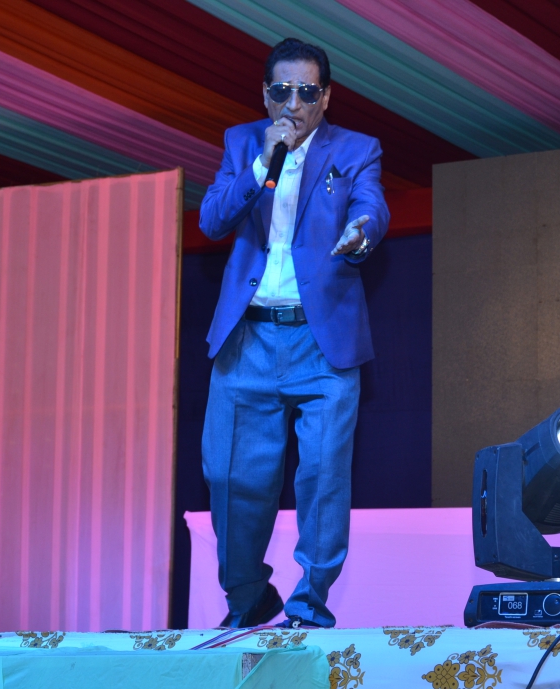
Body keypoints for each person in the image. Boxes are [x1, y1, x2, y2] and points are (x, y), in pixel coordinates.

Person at [199, 37, 389, 629]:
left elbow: (372, 206)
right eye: (283, 91)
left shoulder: (356, 149)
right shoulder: (242, 142)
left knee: (323, 474)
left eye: (307, 92)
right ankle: (248, 595)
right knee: (230, 476)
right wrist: (262, 164)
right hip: (247, 340)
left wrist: (362, 231)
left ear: (326, 97)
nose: (294, 104)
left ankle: (310, 602)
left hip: (321, 342)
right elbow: (212, 219)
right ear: (266, 94)